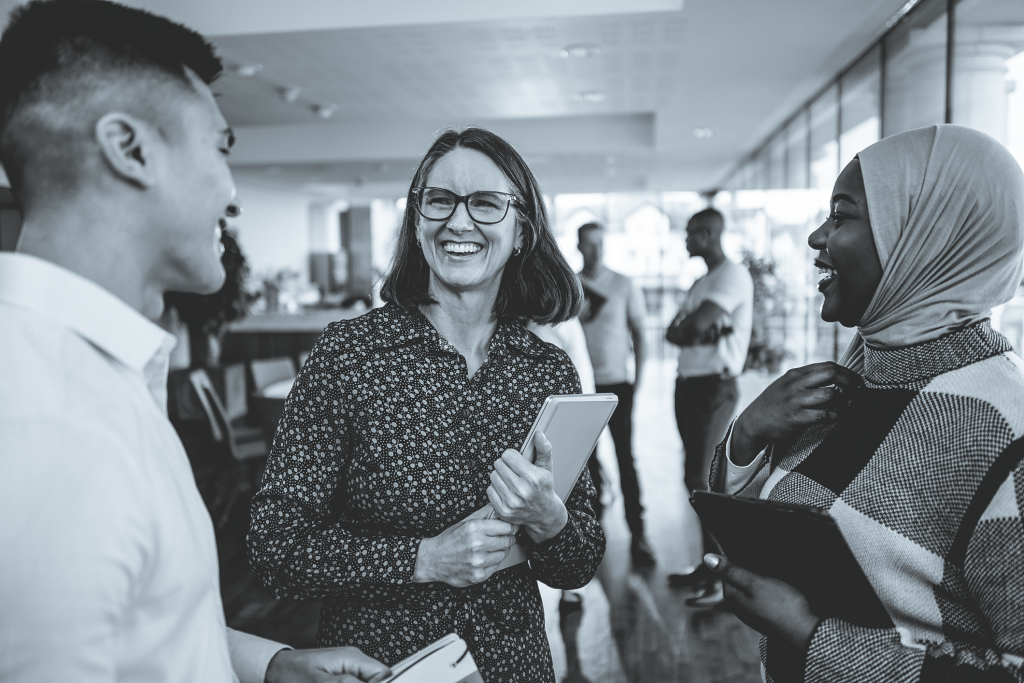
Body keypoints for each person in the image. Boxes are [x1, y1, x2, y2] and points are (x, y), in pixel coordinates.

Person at [0, 2, 390, 682]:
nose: (232, 191)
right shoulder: (47, 424)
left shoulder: (106, 375)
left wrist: (271, 663)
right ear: (130, 150)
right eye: (220, 146)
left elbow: (145, 625)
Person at [248, 127, 606, 683]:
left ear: (521, 231)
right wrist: (423, 559)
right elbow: (276, 549)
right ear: (417, 223)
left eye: (486, 204)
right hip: (382, 667)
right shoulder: (350, 354)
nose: (458, 222)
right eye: (439, 200)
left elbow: (579, 564)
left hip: (514, 666)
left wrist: (548, 518)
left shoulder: (547, 369)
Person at [701, 125, 1024, 683]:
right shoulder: (855, 374)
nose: (816, 236)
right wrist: (747, 435)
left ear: (923, 237)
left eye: (843, 216)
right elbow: (773, 519)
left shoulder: (1000, 432)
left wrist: (810, 636)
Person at [665, 208, 753, 604]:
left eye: (689, 234)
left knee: (705, 479)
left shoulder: (731, 275)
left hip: (715, 387)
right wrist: (688, 327)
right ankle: (709, 564)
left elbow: (693, 327)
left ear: (707, 233)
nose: (685, 241)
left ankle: (723, 580)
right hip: (688, 387)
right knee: (692, 478)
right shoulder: (702, 282)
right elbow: (673, 332)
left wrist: (690, 327)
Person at [577, 222, 656, 567]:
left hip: (617, 384)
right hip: (580, 388)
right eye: (589, 245)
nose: (596, 250)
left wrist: (638, 379)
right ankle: (591, 534)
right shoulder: (571, 287)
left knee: (626, 457)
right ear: (579, 246)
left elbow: (640, 333)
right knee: (586, 462)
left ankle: (639, 533)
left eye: (600, 244)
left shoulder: (624, 284)